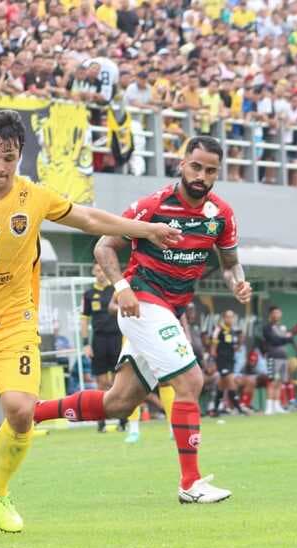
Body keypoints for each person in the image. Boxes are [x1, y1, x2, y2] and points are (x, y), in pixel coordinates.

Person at [0, 110, 181, 538]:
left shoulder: (34, 197)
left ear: (20, 156)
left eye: (8, 158)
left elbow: (90, 219)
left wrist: (146, 230)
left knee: (22, 411)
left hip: (13, 322)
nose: (0, 167)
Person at [34, 136, 251, 505]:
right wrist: (121, 287)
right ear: (182, 164)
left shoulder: (221, 216)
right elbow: (103, 245)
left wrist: (238, 283)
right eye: (195, 166)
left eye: (210, 170)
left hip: (169, 311)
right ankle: (191, 483)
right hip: (141, 304)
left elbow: (231, 265)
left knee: (118, 402)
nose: (201, 176)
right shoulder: (153, 206)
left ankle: (31, 413)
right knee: (191, 380)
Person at [81, 262, 125, 433]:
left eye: (102, 270)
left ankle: (122, 420)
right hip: (98, 340)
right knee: (102, 382)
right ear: (93, 271)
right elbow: (84, 319)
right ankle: (101, 422)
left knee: (117, 382)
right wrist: (85, 343)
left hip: (116, 339)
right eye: (97, 270)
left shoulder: (116, 291)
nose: (100, 273)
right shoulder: (88, 294)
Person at [210, 309, 246, 416]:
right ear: (224, 318)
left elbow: (236, 347)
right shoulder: (219, 329)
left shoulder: (233, 330)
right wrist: (213, 360)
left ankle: (215, 410)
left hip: (230, 361)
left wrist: (240, 341)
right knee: (231, 383)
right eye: (228, 317)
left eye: (232, 317)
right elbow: (213, 346)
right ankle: (239, 409)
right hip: (222, 361)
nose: (230, 319)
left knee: (222, 385)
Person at [262, 306, 295, 415]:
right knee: (272, 382)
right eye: (275, 313)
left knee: (279, 382)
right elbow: (274, 340)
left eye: (279, 313)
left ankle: (277, 406)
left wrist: (286, 338)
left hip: (283, 357)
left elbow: (290, 338)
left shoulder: (282, 327)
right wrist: (286, 339)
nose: (277, 315)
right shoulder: (267, 327)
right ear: (270, 315)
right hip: (273, 356)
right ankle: (269, 407)